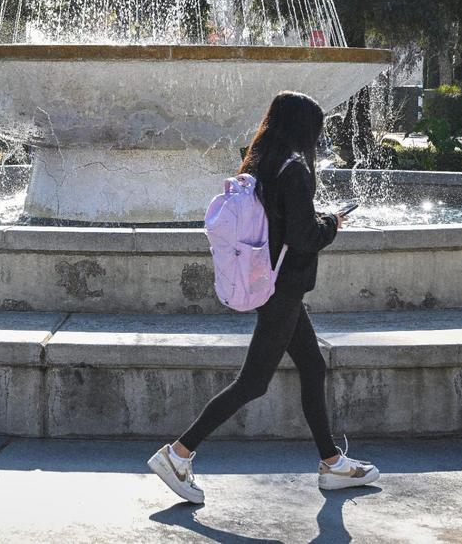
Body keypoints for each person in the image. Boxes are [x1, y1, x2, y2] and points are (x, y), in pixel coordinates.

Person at [146, 91, 380, 505]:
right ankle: (178, 453)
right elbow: (304, 237)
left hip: (268, 281)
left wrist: (313, 218)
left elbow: (280, 224)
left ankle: (331, 462)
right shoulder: (296, 170)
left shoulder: (261, 163)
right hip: (282, 289)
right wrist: (333, 223)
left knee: (312, 364)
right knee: (253, 382)